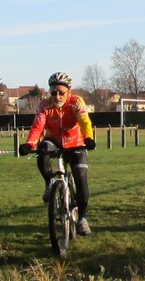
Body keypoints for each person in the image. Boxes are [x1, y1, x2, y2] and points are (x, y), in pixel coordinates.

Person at [18, 72, 95, 236]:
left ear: (69, 91)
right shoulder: (44, 105)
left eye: (61, 92)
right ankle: (50, 182)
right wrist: (30, 144)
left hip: (76, 142)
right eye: (53, 92)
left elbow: (84, 120)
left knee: (81, 179)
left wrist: (88, 137)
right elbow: (38, 126)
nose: (57, 96)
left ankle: (82, 219)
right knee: (42, 149)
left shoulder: (76, 102)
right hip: (54, 140)